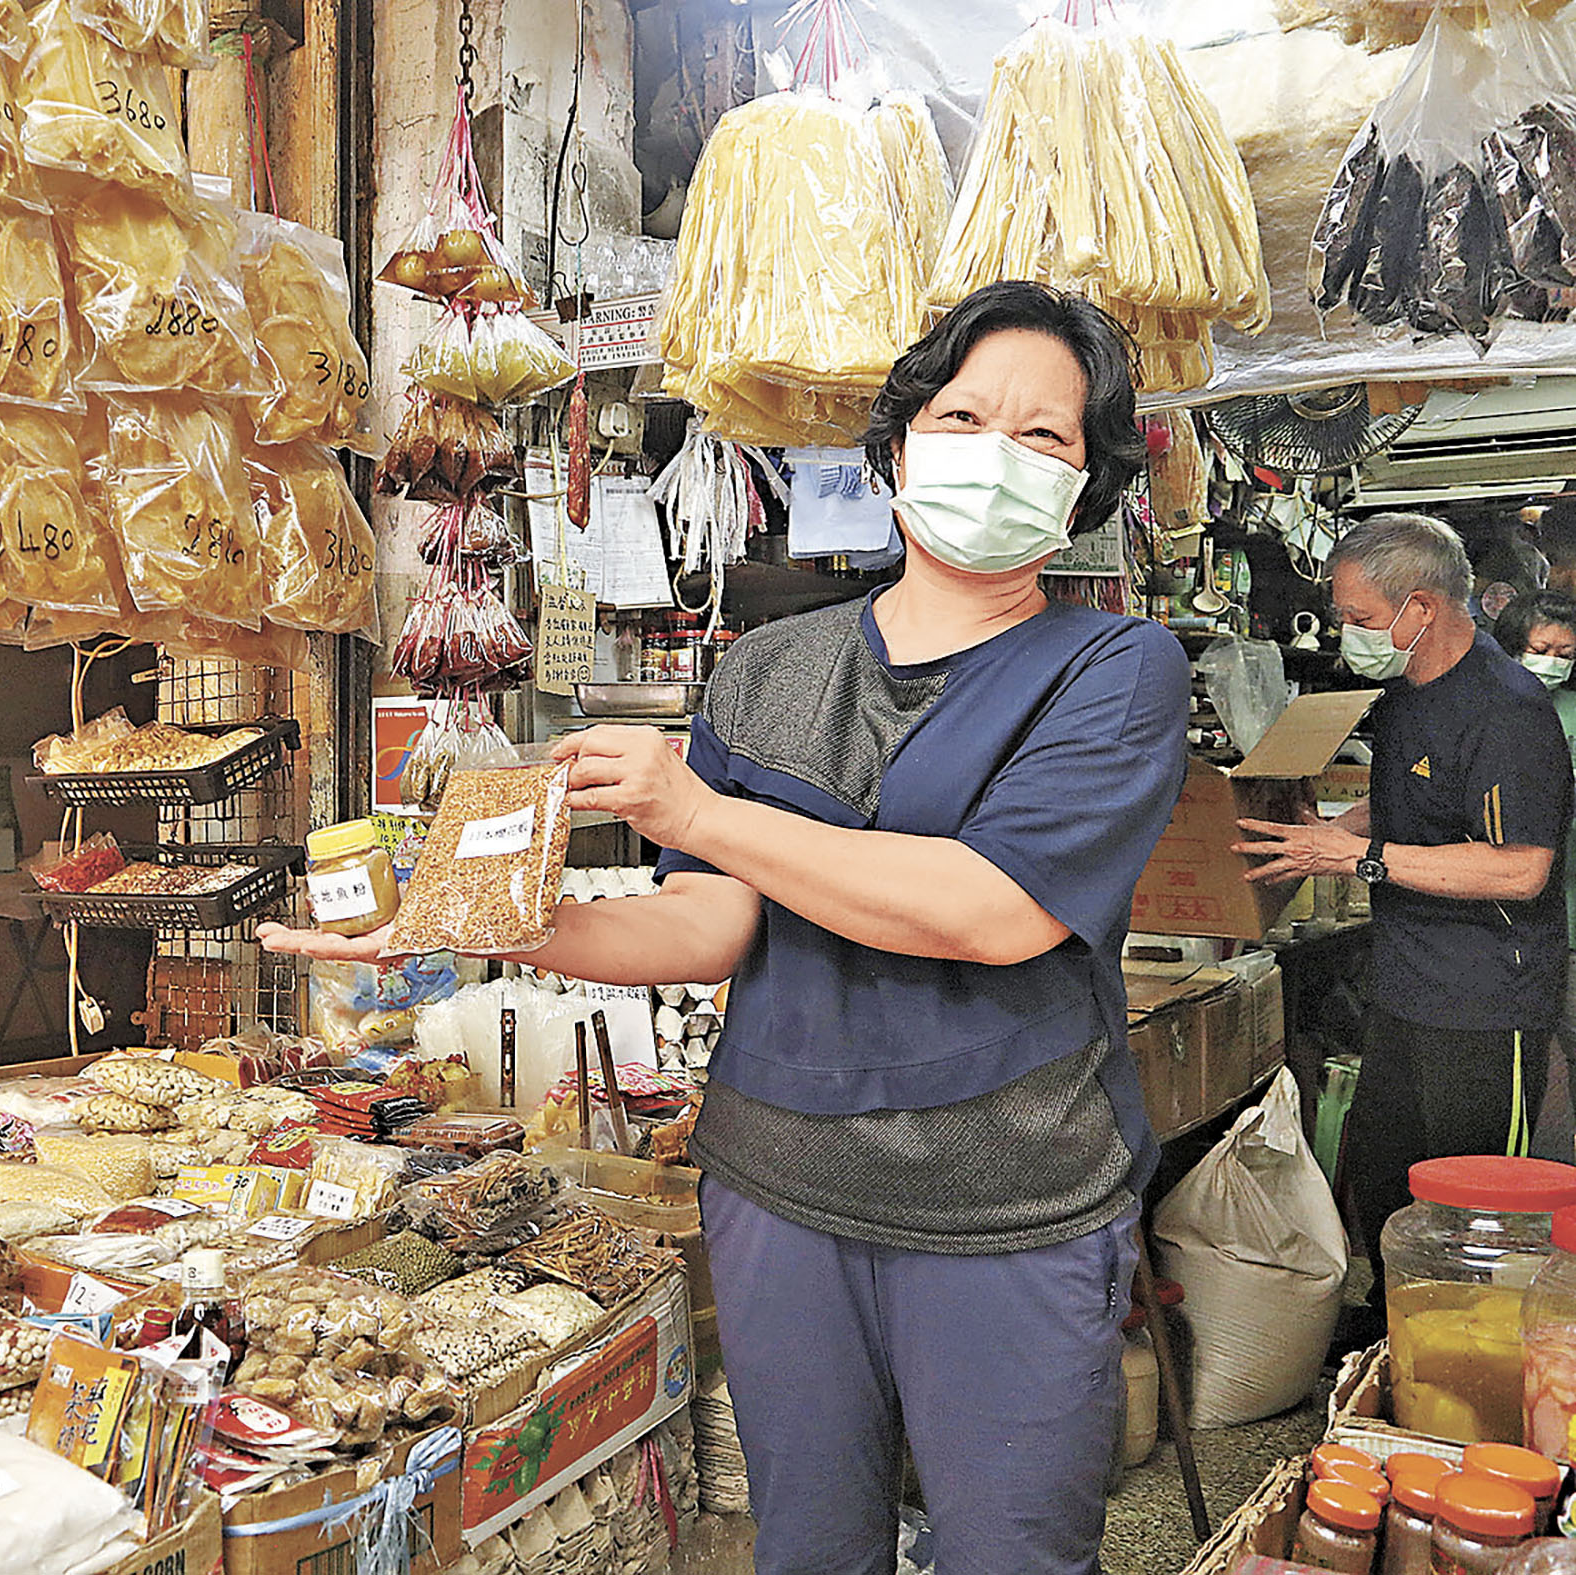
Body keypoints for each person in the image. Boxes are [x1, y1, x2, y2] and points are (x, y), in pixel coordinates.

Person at [264, 281, 1189, 1575]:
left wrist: (696, 803)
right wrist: (480, 922)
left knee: (1013, 1551)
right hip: (778, 1189)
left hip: (1006, 1202)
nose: (994, 452)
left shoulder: (1112, 672)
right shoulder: (771, 665)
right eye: (965, 412)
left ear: (1089, 481)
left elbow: (988, 911)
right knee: (805, 1542)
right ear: (899, 439)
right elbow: (705, 918)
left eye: (1043, 435)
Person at [1235, 516, 1572, 1292]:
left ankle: (1473, 1365)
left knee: (1474, 1211)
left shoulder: (1507, 710)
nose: (1349, 632)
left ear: (1421, 609)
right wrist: (1327, 831)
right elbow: (1406, 804)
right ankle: (1396, 1340)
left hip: (1488, 1001)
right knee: (1391, 1188)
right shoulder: (1408, 694)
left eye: (1361, 619)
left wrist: (1359, 857)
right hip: (1404, 990)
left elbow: (1520, 869)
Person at [1495, 588, 1576, 1160]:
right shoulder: (1492, 706)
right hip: (1506, 926)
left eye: (1565, 652)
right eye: (1540, 647)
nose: (1552, 660)